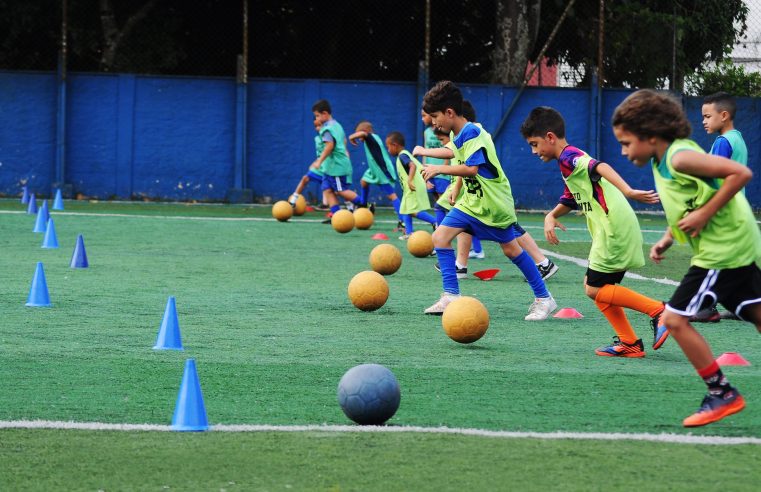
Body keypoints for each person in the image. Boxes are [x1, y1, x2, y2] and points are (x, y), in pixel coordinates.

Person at [612, 88, 761, 427]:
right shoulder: (659, 160)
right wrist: (668, 237)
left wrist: (705, 215)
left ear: (651, 136)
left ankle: (722, 392)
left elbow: (741, 175)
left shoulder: (679, 157)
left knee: (675, 319)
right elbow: (689, 201)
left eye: (626, 142)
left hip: (724, 249)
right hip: (727, 246)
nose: (623, 151)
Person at [521, 106, 668, 357]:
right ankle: (629, 343)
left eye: (535, 144)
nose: (534, 152)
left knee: (593, 288)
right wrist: (551, 215)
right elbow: (571, 197)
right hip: (611, 229)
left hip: (613, 228)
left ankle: (659, 310)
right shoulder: (566, 163)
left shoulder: (570, 157)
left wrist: (628, 191)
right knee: (598, 288)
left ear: (550, 137)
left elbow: (599, 166)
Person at [417, 80, 556, 319]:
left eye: (435, 116)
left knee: (512, 250)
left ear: (449, 112)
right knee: (440, 236)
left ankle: (544, 298)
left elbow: (471, 168)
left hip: (493, 205)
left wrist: (439, 170)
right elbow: (453, 153)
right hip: (472, 203)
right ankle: (450, 295)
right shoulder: (459, 132)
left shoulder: (473, 132)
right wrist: (424, 152)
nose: (433, 122)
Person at [693, 91, 749, 322]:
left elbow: (713, 179)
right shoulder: (738, 139)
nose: (703, 121)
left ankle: (706, 307)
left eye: (707, 116)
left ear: (723, 115)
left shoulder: (722, 142)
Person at [311, 99, 364, 221]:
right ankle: (337, 216)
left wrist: (319, 161)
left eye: (317, 116)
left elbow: (329, 146)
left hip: (336, 166)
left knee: (340, 190)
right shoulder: (337, 125)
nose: (317, 119)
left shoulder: (327, 129)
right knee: (327, 189)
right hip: (330, 166)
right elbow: (344, 141)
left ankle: (364, 204)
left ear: (325, 113)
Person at [347, 121, 404, 223]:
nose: (358, 138)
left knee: (392, 196)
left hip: (382, 170)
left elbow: (363, 134)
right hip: (374, 169)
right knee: (363, 182)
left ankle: (403, 221)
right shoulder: (371, 139)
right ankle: (363, 204)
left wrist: (352, 137)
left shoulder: (370, 137)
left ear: (365, 131)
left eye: (358, 134)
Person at [384, 131, 437, 239]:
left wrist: (410, 180)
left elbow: (413, 166)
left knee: (412, 210)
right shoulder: (407, 154)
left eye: (388, 147)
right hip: (411, 188)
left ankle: (435, 222)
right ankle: (409, 232)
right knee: (405, 208)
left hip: (412, 187)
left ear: (395, 145)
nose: (388, 150)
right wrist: (426, 181)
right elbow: (420, 166)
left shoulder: (403, 156)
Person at [289, 117, 327, 207]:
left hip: (330, 168)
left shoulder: (329, 138)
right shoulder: (317, 139)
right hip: (320, 167)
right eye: (316, 126)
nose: (317, 128)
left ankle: (351, 205)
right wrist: (316, 162)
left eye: (320, 125)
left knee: (338, 191)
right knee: (305, 178)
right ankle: (293, 201)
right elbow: (320, 154)